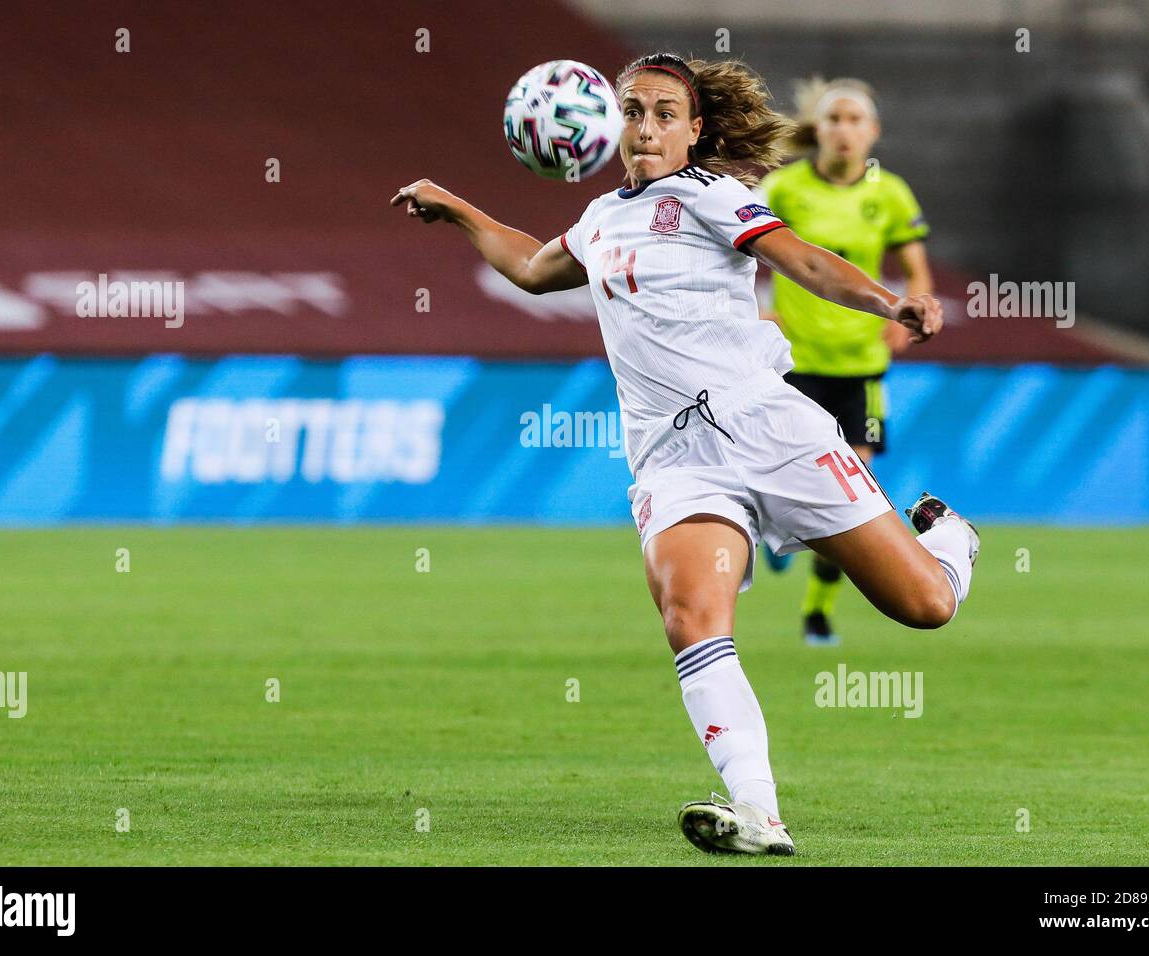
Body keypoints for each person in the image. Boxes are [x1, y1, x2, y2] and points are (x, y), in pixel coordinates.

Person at [391, 52, 978, 857]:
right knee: (692, 618)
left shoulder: (712, 195)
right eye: (633, 110)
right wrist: (455, 206)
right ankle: (759, 814)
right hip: (676, 460)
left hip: (772, 429)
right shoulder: (599, 221)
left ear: (695, 130)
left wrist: (890, 300)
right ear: (609, 125)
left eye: (666, 112)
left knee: (925, 606)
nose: (646, 127)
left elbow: (802, 262)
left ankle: (954, 541)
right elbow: (530, 268)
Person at [759, 77, 935, 647]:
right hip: (795, 362)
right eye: (834, 119)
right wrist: (761, 308)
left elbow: (917, 272)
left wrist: (909, 315)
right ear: (820, 129)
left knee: (854, 493)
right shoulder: (783, 188)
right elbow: (739, 252)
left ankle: (816, 613)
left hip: (860, 367)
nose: (844, 130)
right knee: (789, 481)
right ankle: (776, 529)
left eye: (856, 120)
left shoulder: (891, 195)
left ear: (873, 132)